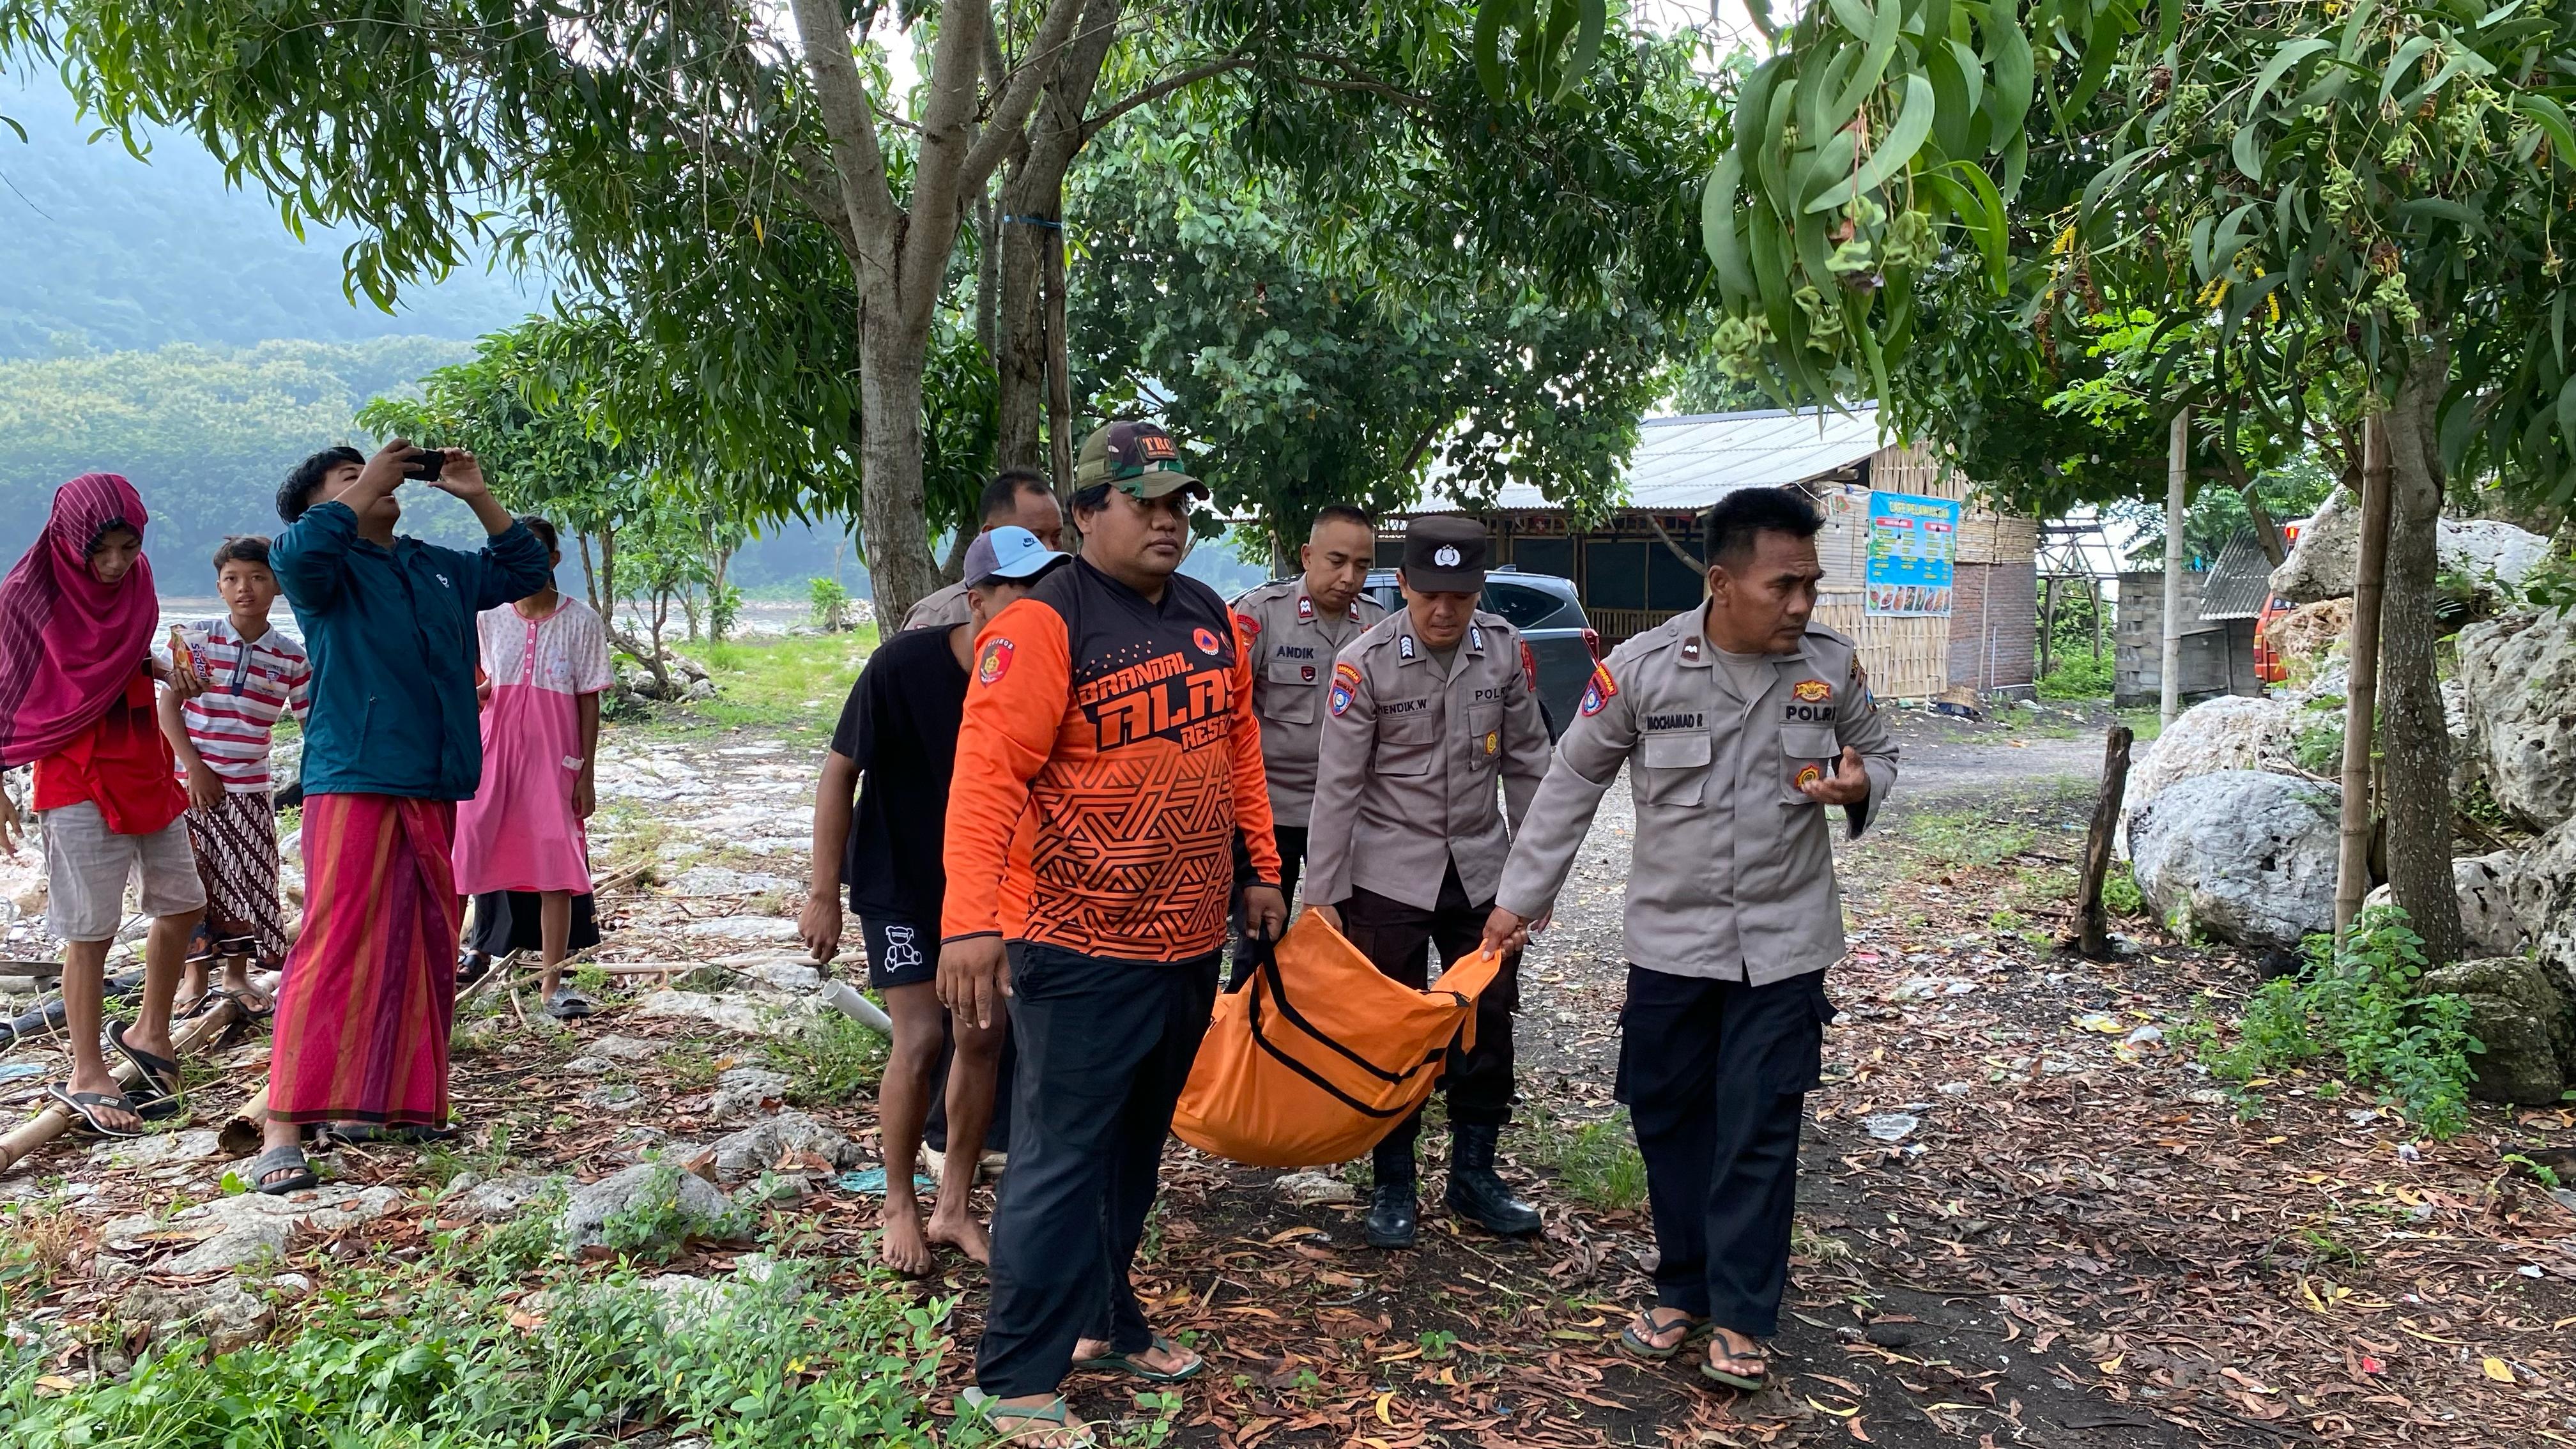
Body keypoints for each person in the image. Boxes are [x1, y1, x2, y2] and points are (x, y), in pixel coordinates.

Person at [1480, 487, 1896, 1393]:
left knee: (1759, 1125)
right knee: (1668, 1118)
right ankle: (1682, 1285)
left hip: (1785, 944)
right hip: (1672, 944)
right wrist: (1519, 901)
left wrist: (1861, 786)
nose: (1802, 604)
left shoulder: (1829, 666)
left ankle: (1742, 1313)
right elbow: (1570, 783)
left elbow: (1880, 752)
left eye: (1810, 585)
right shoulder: (1642, 670)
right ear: (1721, 582)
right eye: (1784, 585)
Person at [939, 420, 1286, 1445]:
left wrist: (1262, 869)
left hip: (1184, 942)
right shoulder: (1044, 623)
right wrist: (969, 924)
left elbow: (1239, 749)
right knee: (1059, 1157)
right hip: (1076, 943)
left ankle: (1104, 1320)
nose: (1168, 520)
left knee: (1134, 1150)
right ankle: (1015, 1377)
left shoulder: (1209, 616)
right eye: (1146, 503)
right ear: (1089, 513)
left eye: (1180, 504)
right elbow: (986, 778)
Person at [246, 440, 552, 1193]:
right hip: (356, 774)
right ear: (320, 509)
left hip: (434, 777)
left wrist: (477, 493)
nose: (378, 483)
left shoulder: (433, 565)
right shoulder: (322, 568)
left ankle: (393, 1105)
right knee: (336, 938)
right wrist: (364, 487)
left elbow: (525, 572)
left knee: (423, 937)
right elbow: (294, 556)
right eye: (350, 479)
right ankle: (282, 1126)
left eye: (375, 475)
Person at [802, 524, 1064, 1275]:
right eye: (1020, 592)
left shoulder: (1049, 675)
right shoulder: (903, 665)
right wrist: (824, 892)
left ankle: (954, 1204)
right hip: (901, 882)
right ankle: (899, 1202)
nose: (1038, 608)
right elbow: (839, 773)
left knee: (982, 1036)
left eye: (1048, 592)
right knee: (920, 1040)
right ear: (977, 602)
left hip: (985, 887)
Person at [1302, 515, 1552, 1250]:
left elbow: (1529, 765)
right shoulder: (1366, 662)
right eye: (1431, 594)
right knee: (1390, 1028)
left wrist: (1532, 883)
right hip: (1389, 873)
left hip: (1480, 870)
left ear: (1480, 590)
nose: (1445, 611)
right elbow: (1338, 786)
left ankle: (1475, 1175)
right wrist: (1323, 896)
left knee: (1488, 1019)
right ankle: (1394, 1181)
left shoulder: (1503, 651)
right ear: (1404, 584)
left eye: (1461, 596)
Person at [0, 473, 207, 1137]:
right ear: (68, 541)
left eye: (128, 547)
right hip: (76, 770)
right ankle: (86, 1069)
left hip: (144, 759)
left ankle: (150, 1031)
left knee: (184, 905)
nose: (116, 564)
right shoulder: (27, 597)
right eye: (101, 551)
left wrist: (164, 670)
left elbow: (120, 657)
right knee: (89, 930)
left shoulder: (137, 581)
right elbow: (10, 687)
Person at [452, 516, 612, 1019]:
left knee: (555, 866)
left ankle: (551, 986)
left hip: (553, 759)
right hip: (491, 755)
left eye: (534, 553)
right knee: (464, 857)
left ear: (553, 559)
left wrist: (585, 774)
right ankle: (439, 973)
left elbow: (588, 700)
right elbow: (485, 681)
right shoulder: (488, 617)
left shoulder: (581, 620)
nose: (521, 564)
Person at [155, 535, 310, 1016]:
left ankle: (237, 975)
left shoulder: (292, 657)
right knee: (194, 880)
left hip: (250, 787)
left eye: (259, 577)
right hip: (190, 785)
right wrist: (194, 766)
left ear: (278, 585)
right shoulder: (197, 639)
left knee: (247, 879)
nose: (246, 588)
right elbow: (168, 707)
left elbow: (312, 725)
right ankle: (194, 977)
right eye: (233, 579)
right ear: (219, 587)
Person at [1225, 505, 1384, 958]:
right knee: (1260, 942)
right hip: (1269, 813)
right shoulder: (1262, 615)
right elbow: (1228, 715)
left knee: (1348, 944)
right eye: (1337, 561)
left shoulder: (1376, 626)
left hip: (1346, 814)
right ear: (1307, 556)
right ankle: (1252, 1007)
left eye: (1362, 565)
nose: (1349, 577)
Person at [900, 470, 1066, 632]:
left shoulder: (1066, 600)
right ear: (989, 534)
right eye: (1034, 537)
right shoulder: (941, 615)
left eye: (1056, 536)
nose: (1049, 549)